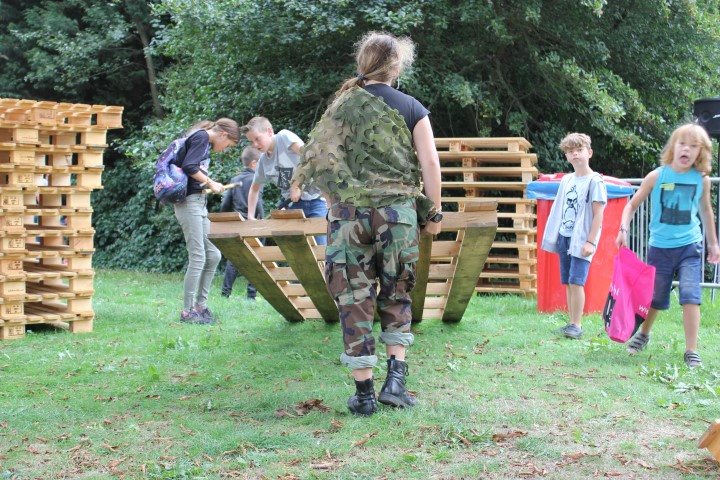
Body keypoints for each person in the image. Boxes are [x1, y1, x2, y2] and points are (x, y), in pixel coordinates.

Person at [291, 31, 442, 416]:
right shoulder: (412, 107)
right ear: (396, 67)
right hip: (397, 216)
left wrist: (334, 204)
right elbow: (430, 163)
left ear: (363, 64)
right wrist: (434, 212)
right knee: (397, 292)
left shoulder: (342, 107)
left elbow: (319, 160)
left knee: (353, 299)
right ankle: (396, 384)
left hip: (348, 217)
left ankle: (363, 395)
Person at [616, 123, 720, 367]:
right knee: (655, 297)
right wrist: (623, 229)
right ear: (673, 146)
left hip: (690, 247)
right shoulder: (657, 176)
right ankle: (643, 334)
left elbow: (706, 211)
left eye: (693, 146)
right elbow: (631, 205)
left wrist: (713, 244)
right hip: (660, 249)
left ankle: (691, 350)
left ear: (701, 152)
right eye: (682, 144)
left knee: (691, 294)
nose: (687, 149)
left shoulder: (701, 180)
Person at [540, 133, 608, 339]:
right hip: (565, 237)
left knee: (577, 281)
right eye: (570, 151)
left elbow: (598, 214)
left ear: (590, 152)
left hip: (582, 239)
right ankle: (571, 322)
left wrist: (590, 242)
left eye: (579, 150)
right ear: (567, 156)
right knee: (568, 282)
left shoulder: (595, 181)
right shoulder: (567, 180)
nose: (575, 154)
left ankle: (577, 325)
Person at [173, 118, 240, 324]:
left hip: (199, 203)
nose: (225, 149)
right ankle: (187, 312)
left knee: (213, 255)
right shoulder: (201, 137)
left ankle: (200, 307)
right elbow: (189, 166)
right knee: (198, 256)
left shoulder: (203, 141)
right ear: (223, 134)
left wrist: (209, 185)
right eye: (228, 145)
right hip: (189, 204)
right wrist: (211, 182)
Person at [241, 116, 328, 245]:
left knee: (321, 247)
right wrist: (250, 217)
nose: (255, 145)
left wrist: (296, 185)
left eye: (257, 139)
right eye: (251, 141)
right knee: (297, 249)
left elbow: (311, 157)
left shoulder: (283, 137)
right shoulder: (263, 162)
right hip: (292, 207)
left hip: (316, 200)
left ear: (269, 131)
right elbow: (254, 190)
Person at [220, 146, 264, 300]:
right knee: (256, 259)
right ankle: (251, 295)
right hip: (253, 224)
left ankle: (225, 293)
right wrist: (262, 221)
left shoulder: (235, 180)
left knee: (234, 259)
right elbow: (258, 202)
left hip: (238, 224)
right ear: (254, 163)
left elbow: (225, 204)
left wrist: (224, 220)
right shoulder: (256, 179)